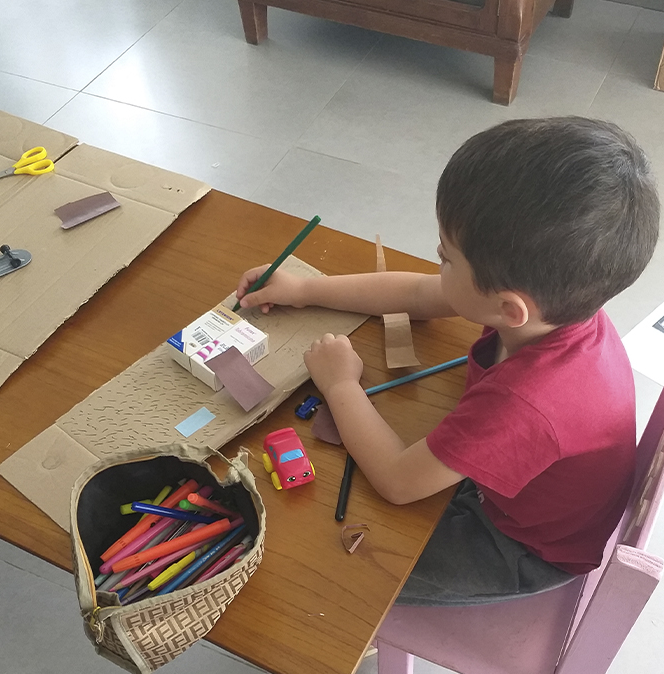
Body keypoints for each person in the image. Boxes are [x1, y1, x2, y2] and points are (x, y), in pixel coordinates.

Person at [235, 117, 660, 605]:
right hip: (519, 484)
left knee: (337, 567)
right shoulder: (552, 306)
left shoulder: (525, 403)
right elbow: (418, 294)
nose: (437, 262)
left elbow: (397, 481)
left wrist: (340, 384)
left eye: (446, 257)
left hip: (519, 547)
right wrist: (305, 289)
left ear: (509, 308)